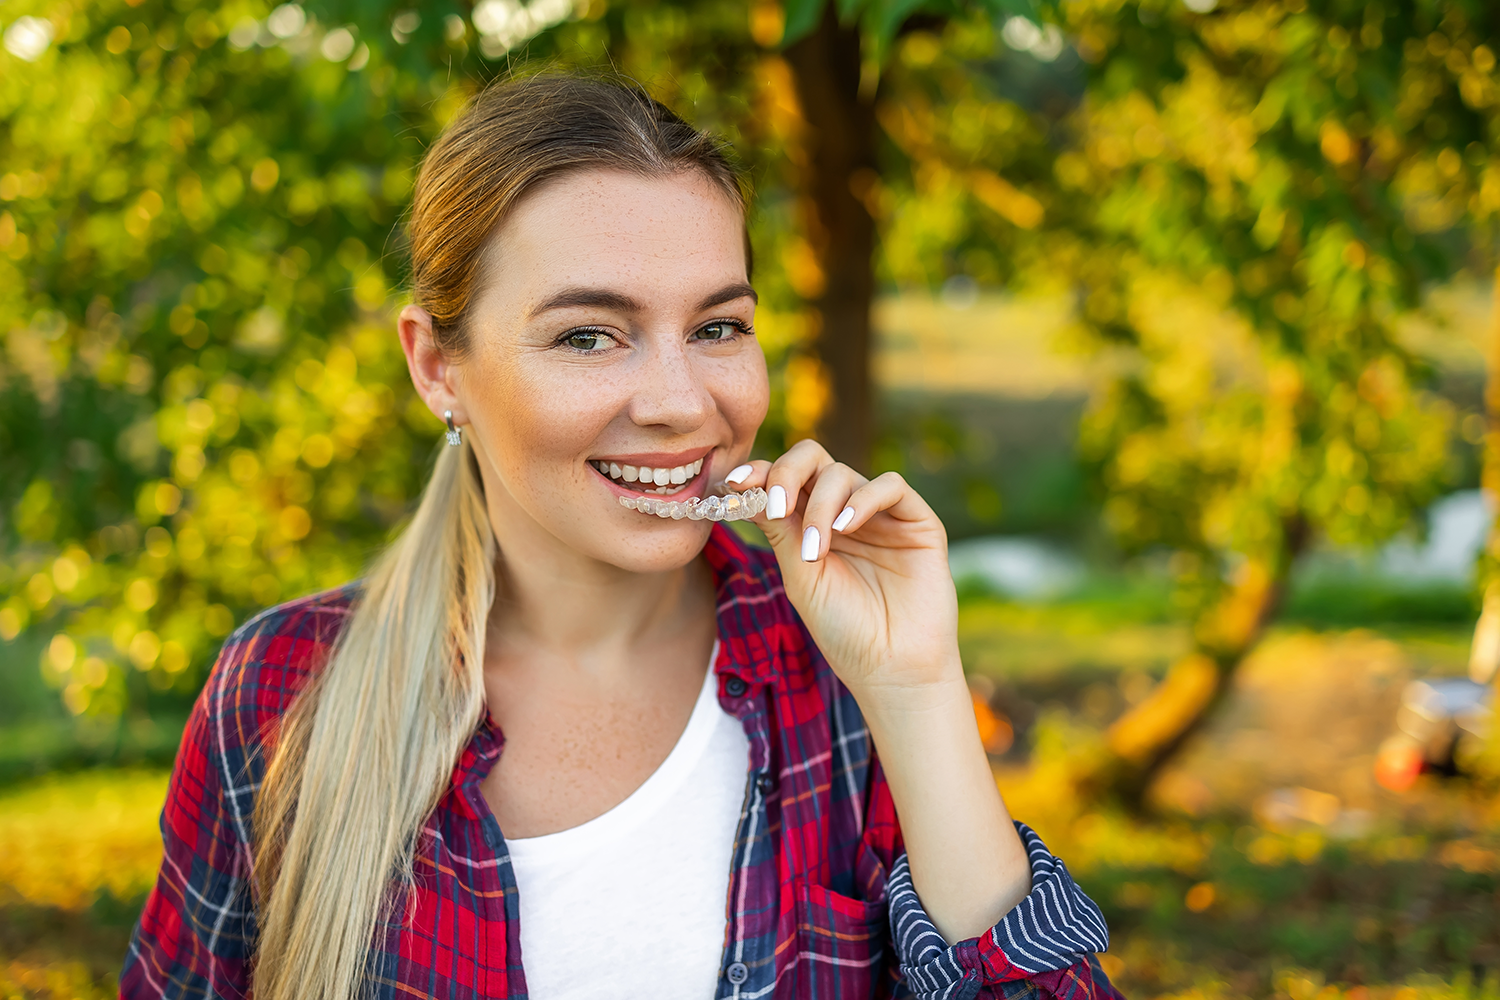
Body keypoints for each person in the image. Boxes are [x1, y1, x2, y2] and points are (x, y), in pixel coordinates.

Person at [120, 74, 1119, 1000]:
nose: (683, 403)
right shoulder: (278, 695)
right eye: (588, 335)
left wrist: (916, 689)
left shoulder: (838, 682)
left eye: (719, 327)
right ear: (437, 368)